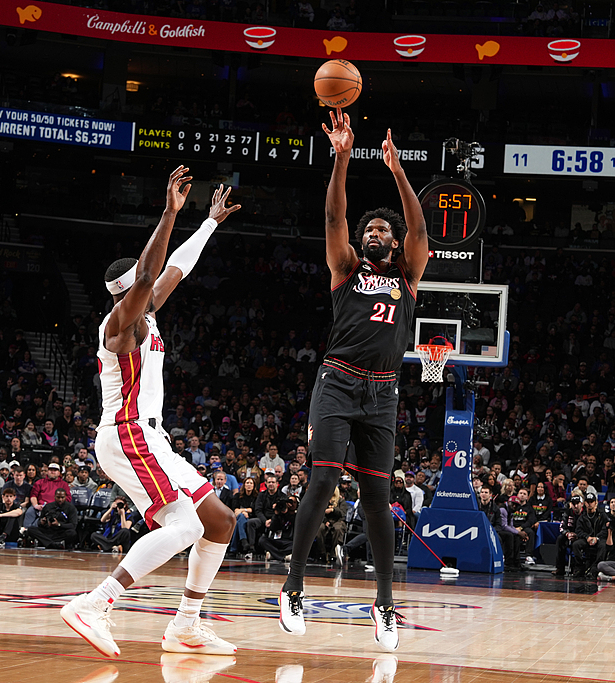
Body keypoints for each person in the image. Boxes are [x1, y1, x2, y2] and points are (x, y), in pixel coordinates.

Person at [60, 168, 241, 659]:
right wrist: (168, 213)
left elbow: (175, 268)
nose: (153, 290)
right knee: (185, 527)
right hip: (127, 434)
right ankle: (94, 604)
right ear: (127, 296)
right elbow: (147, 276)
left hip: (151, 439)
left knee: (219, 521)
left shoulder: (148, 312)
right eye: (142, 290)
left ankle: (186, 626)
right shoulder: (119, 326)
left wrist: (208, 224)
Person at [280, 109, 429, 653]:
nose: (373, 233)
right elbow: (333, 216)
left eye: (381, 230)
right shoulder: (346, 268)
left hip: (384, 391)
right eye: (369, 229)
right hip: (339, 382)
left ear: (393, 242)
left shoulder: (408, 274)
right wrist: (342, 158)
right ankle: (294, 587)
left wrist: (398, 171)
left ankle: (384, 602)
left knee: (377, 497)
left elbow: (419, 229)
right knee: (322, 481)